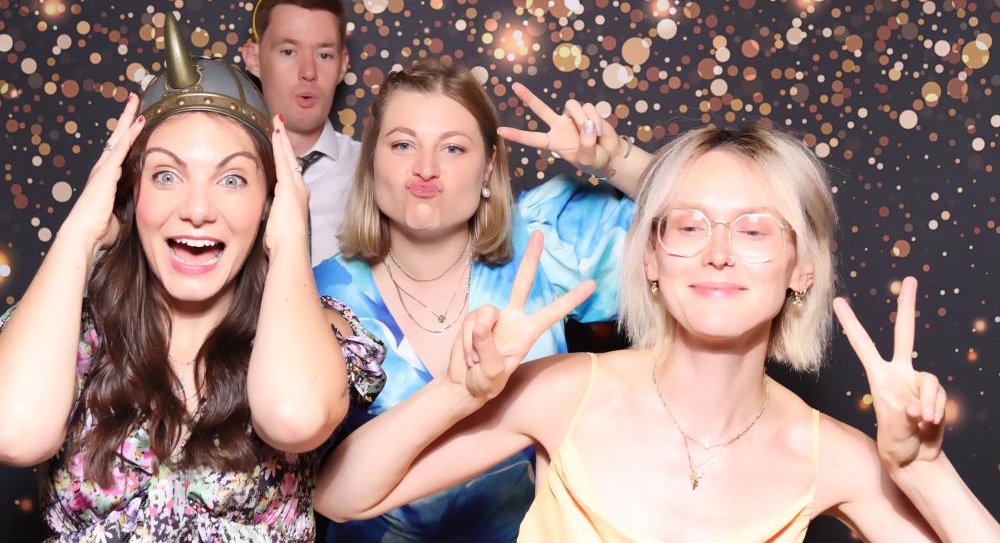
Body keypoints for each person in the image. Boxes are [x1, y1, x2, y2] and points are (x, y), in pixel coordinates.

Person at [317, 126, 1000, 542]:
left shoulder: (834, 457)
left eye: (755, 230)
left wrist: (925, 472)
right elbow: (340, 496)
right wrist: (458, 393)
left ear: (803, 267)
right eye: (690, 225)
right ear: (650, 257)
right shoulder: (563, 393)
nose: (718, 253)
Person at [0, 16, 385, 541]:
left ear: (269, 203)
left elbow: (294, 416)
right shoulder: (69, 329)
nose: (198, 209)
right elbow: (14, 432)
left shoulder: (318, 332)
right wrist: (80, 232)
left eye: (232, 179)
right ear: (130, 194)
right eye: (166, 175)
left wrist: (291, 239)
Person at [312, 60, 653, 541]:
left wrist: (617, 160)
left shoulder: (543, 242)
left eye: (453, 148)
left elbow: (703, 220)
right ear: (372, 158)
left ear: (489, 164)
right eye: (403, 144)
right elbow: (308, 483)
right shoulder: (321, 297)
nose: (426, 168)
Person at [242, 0, 359, 265]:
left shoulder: (373, 172)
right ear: (253, 58)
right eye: (288, 51)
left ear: (343, 64)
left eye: (324, 55)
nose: (308, 72)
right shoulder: (219, 171)